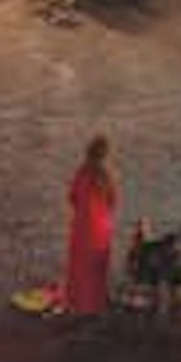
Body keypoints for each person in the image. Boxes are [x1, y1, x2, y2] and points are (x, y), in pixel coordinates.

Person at [61, 136, 118, 318]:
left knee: (79, 268)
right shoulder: (107, 176)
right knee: (97, 267)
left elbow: (72, 198)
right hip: (101, 227)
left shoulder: (82, 172)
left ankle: (77, 305)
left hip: (82, 227)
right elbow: (113, 201)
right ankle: (96, 305)